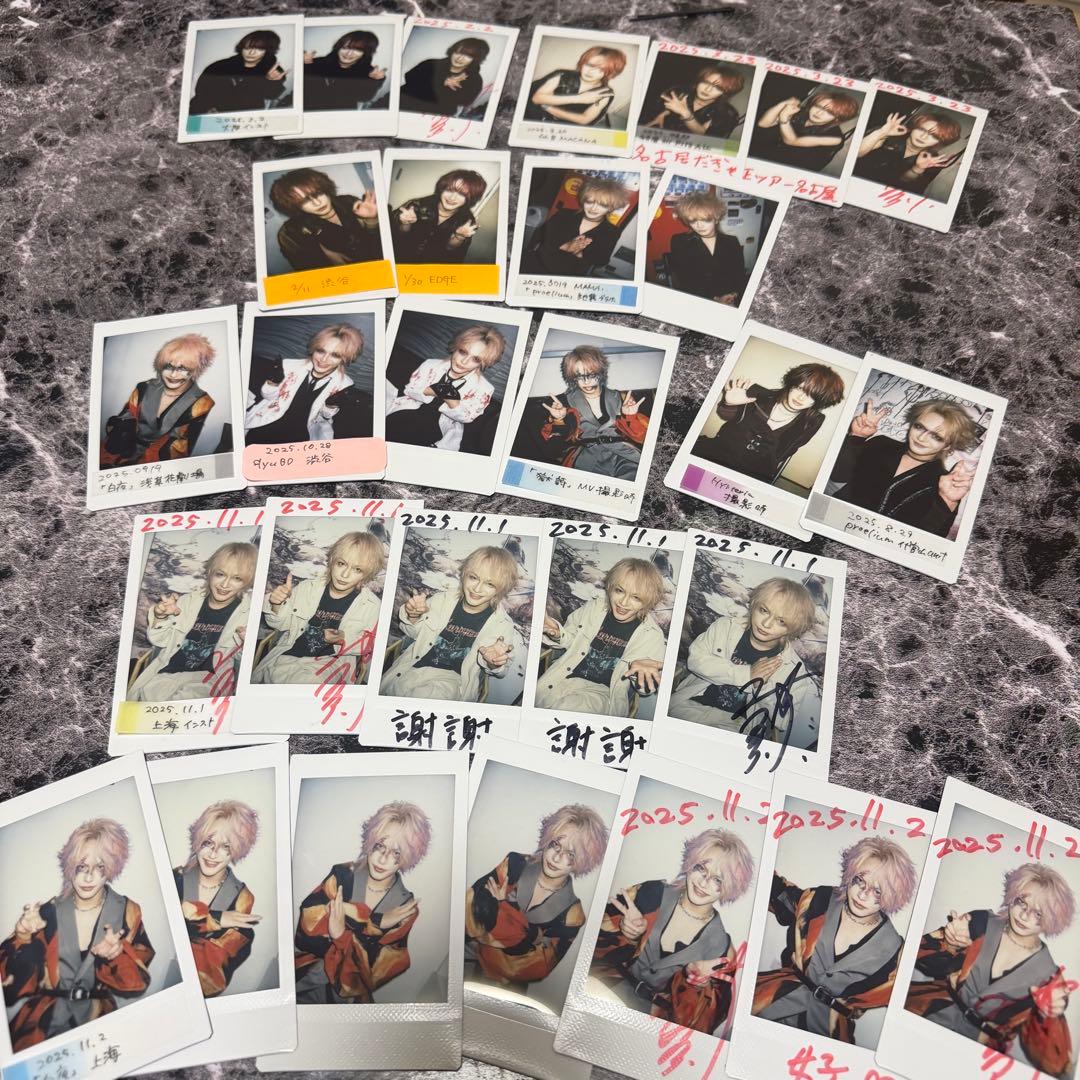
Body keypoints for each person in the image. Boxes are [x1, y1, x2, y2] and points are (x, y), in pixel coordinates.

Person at [906, 863, 1074, 1076]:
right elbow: (919, 960)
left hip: (978, 1055)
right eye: (1021, 902)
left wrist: (1048, 1015)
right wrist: (949, 944)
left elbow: (1053, 1058)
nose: (1024, 916)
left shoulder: (1048, 973)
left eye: (1038, 914)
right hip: (929, 1017)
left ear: (1053, 918)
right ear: (1012, 895)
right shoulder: (981, 922)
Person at [0, 819, 154, 1049]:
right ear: (70, 865)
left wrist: (118, 955)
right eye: (82, 866)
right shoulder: (47, 912)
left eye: (100, 867)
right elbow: (12, 984)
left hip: (99, 1022)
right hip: (42, 1024)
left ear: (112, 867)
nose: (89, 877)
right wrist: (22, 937)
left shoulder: (128, 911)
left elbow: (137, 983)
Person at [752, 836, 918, 1042]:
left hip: (826, 1034)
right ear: (850, 873)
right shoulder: (819, 900)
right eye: (860, 880)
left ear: (894, 895)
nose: (863, 895)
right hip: (769, 1004)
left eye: (877, 891)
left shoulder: (895, 952)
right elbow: (779, 892)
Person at [591, 829, 755, 1033]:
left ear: (731, 887)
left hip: (651, 1026)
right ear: (690, 863)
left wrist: (696, 985)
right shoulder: (649, 894)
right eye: (701, 868)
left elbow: (702, 1025)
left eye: (717, 880)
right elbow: (587, 947)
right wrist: (626, 935)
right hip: (603, 994)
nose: (703, 882)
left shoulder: (721, 949)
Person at [294, 802, 431, 1004]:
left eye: (396, 853)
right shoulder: (342, 874)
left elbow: (374, 972)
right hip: (306, 980)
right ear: (371, 840)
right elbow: (305, 934)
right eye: (380, 846)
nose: (383, 859)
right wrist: (375, 922)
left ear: (409, 856)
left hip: (347, 998)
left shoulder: (404, 907)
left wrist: (341, 934)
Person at [465, 804, 608, 987]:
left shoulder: (572, 914)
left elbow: (534, 967)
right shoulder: (515, 864)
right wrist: (531, 937)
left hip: (505, 986)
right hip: (464, 959)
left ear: (583, 861)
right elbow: (470, 911)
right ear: (547, 838)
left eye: (570, 855)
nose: (556, 858)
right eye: (555, 845)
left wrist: (501, 909)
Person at [668, 577, 818, 738]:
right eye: (764, 610)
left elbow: (783, 720)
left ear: (793, 629)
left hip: (738, 726)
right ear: (754, 605)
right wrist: (747, 674)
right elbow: (695, 660)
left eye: (781, 621)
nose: (766, 624)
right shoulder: (725, 627)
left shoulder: (793, 668)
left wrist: (761, 687)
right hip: (689, 704)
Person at [379, 545, 520, 704]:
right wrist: (413, 615)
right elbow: (412, 633)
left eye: (490, 584)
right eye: (473, 578)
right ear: (464, 575)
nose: (477, 588)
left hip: (453, 682)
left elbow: (501, 671)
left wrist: (493, 662)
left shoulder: (502, 624)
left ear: (500, 589)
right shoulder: (442, 600)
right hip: (410, 668)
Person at [828, 397, 981, 536]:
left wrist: (946, 502)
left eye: (936, 436)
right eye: (919, 427)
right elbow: (838, 475)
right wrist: (857, 438)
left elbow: (928, 539)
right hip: (832, 523)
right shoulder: (882, 444)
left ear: (947, 445)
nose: (921, 438)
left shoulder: (947, 484)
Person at [535, 558, 666, 718]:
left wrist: (639, 674)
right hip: (561, 678)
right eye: (619, 591)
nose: (624, 602)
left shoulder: (652, 635)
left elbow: (646, 689)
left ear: (647, 602)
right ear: (610, 587)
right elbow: (571, 641)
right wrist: (557, 633)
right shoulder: (594, 608)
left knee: (563, 713)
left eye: (636, 598)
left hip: (602, 693)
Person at [128, 541, 257, 702]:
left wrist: (247, 644)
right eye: (220, 574)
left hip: (209, 679)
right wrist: (161, 617)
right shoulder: (186, 602)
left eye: (237, 578)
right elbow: (160, 641)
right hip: (167, 674)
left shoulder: (248, 613)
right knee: (148, 702)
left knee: (183, 704)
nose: (224, 585)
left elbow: (240, 663)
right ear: (210, 572)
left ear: (247, 582)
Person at [252, 530, 385, 685]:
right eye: (341, 564)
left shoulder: (371, 605)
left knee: (305, 682)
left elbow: (370, 644)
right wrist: (276, 605)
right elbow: (280, 624)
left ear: (367, 574)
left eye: (357, 569)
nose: (345, 575)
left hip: (331, 663)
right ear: (332, 561)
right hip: (287, 655)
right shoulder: (306, 588)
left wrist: (343, 638)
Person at [692, 363, 847, 484]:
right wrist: (729, 404)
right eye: (799, 388)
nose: (801, 398)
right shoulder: (758, 394)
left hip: (756, 469)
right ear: (791, 384)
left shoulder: (813, 420)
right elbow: (727, 416)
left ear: (819, 401)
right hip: (720, 454)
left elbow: (786, 452)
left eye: (811, 395)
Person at [175, 800, 262, 998]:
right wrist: (216, 918)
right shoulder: (174, 879)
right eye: (208, 842)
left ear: (238, 849)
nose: (213, 854)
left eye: (225, 846)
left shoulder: (242, 898)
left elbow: (216, 970)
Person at [522, 344, 648, 479]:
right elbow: (553, 448)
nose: (586, 381)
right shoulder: (563, 402)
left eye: (591, 374)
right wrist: (559, 420)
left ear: (600, 372)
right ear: (573, 378)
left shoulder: (622, 398)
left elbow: (642, 437)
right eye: (579, 376)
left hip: (624, 455)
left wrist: (631, 416)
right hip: (586, 459)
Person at [100, 333, 217, 469]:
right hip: (123, 449)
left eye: (183, 368)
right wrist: (121, 430)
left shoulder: (201, 404)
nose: (173, 375)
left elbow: (178, 446)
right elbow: (127, 417)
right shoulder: (143, 388)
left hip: (157, 461)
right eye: (168, 366)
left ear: (195, 370)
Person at [384, 324, 505, 451]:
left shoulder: (484, 389)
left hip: (440, 427)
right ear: (456, 347)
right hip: (407, 411)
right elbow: (409, 390)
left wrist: (452, 401)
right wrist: (429, 391)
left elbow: (467, 418)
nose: (464, 361)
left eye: (475, 359)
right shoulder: (431, 364)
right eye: (463, 352)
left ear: (484, 363)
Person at [245, 323, 365, 444]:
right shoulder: (289, 366)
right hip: (270, 420)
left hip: (302, 431)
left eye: (335, 355)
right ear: (314, 349)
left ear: (345, 358)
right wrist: (273, 383)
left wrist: (331, 405)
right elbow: (267, 397)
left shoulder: (344, 383)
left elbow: (325, 416)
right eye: (321, 351)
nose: (323, 359)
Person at [269, 168, 382, 274]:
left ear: (325, 189)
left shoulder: (348, 202)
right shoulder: (292, 232)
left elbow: (378, 242)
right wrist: (325, 259)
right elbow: (309, 272)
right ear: (294, 206)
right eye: (303, 201)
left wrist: (372, 220)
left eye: (317, 193)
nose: (317, 203)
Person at [522, 176, 629, 279]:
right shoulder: (564, 214)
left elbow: (601, 261)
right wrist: (566, 246)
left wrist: (580, 253)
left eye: (603, 205)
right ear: (583, 200)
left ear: (611, 208)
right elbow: (542, 237)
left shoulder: (611, 231)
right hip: (537, 265)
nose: (593, 208)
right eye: (589, 202)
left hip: (567, 276)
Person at [855, 110, 963, 196]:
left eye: (934, 136)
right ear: (914, 127)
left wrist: (918, 168)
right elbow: (856, 154)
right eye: (921, 130)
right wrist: (881, 133)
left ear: (940, 142)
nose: (923, 137)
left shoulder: (932, 161)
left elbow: (901, 184)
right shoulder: (890, 134)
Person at [665, 191, 746, 304]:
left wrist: (734, 294)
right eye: (693, 220)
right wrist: (714, 299)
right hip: (698, 300)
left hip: (730, 298)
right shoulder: (680, 241)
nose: (699, 226)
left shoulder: (731, 242)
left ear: (716, 218)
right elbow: (684, 280)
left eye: (705, 220)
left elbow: (739, 274)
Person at [390, 169, 487, 264]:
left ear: (470, 198)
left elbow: (450, 250)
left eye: (462, 194)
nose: (452, 198)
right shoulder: (417, 205)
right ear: (442, 188)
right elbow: (398, 236)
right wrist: (405, 223)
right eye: (449, 190)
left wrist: (459, 236)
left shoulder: (466, 220)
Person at [752, 90, 860, 173]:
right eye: (818, 106)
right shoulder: (801, 113)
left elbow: (792, 141)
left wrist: (784, 117)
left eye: (829, 112)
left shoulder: (835, 138)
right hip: (772, 155)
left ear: (837, 118)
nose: (819, 113)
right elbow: (763, 124)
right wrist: (783, 104)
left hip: (794, 170)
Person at [189, 30, 289, 115]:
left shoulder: (273, 71)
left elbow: (271, 95)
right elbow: (202, 89)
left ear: (268, 50)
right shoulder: (220, 66)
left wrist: (269, 81)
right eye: (247, 48)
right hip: (207, 109)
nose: (251, 53)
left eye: (259, 49)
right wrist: (207, 107)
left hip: (244, 114)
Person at [525, 46, 628, 128]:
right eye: (589, 65)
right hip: (535, 115)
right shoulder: (562, 74)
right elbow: (536, 98)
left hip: (563, 126)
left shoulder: (605, 93)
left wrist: (549, 107)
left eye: (601, 69)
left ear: (609, 73)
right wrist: (580, 98)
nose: (591, 71)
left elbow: (584, 119)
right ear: (582, 63)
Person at [641, 63, 744, 142]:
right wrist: (662, 114)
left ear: (725, 93)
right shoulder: (679, 91)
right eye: (706, 83)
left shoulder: (727, 113)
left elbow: (708, 139)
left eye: (718, 88)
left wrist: (686, 114)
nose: (707, 89)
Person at [400, 37, 489, 116]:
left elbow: (465, 101)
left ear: (476, 59)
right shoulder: (431, 63)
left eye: (468, 56)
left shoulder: (475, 79)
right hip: (405, 101)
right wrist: (442, 80)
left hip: (434, 113)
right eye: (458, 52)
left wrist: (443, 87)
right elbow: (409, 77)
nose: (459, 58)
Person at [303, 30, 387, 112]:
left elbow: (364, 97)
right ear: (338, 47)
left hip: (342, 115)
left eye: (358, 50)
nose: (349, 54)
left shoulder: (368, 72)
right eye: (345, 48)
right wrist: (303, 66)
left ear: (366, 53)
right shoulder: (316, 63)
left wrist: (375, 81)